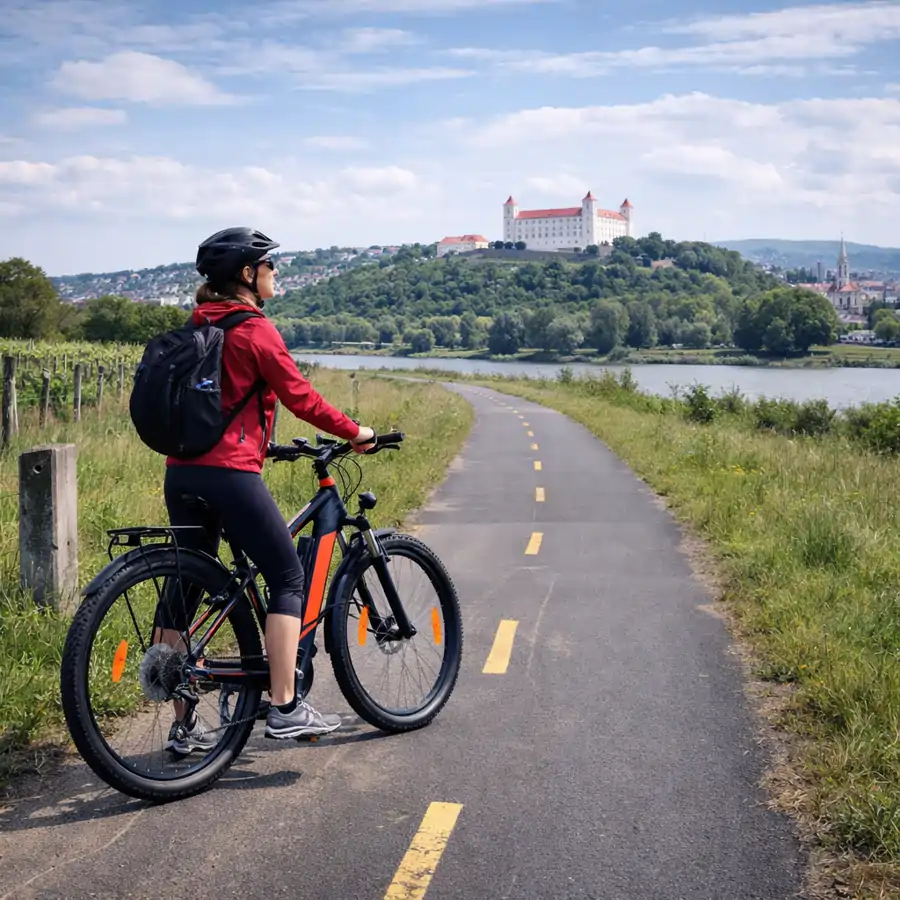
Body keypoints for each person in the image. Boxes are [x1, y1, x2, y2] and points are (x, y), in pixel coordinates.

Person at [160, 227, 376, 754]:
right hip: (230, 474)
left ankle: (184, 725)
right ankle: (285, 708)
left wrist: (264, 443)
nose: (276, 274)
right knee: (287, 573)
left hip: (181, 473)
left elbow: (222, 399)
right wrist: (356, 432)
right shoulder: (255, 330)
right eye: (270, 266)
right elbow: (300, 397)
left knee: (185, 586)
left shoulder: (197, 325)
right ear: (247, 275)